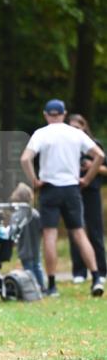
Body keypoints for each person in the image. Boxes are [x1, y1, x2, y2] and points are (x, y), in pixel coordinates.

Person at [20, 99, 104, 298]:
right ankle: (96, 278)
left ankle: (52, 285)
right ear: (64, 114)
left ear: (46, 114)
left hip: (50, 189)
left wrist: (34, 180)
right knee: (79, 233)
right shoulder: (75, 133)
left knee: (50, 235)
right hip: (72, 188)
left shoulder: (41, 134)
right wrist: (87, 178)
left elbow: (25, 158)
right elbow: (99, 155)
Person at [67, 114, 106, 286]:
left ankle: (102, 270)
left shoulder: (94, 145)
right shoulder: (66, 146)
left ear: (84, 127)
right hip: (73, 191)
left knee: (95, 231)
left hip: (91, 191)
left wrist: (93, 167)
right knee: (75, 230)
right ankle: (79, 271)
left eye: (78, 127)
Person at [10, 182, 45, 291]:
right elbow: (42, 229)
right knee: (37, 266)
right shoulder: (35, 213)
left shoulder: (16, 216)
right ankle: (42, 286)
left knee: (28, 269)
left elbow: (12, 232)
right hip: (36, 247)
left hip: (24, 248)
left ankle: (33, 288)